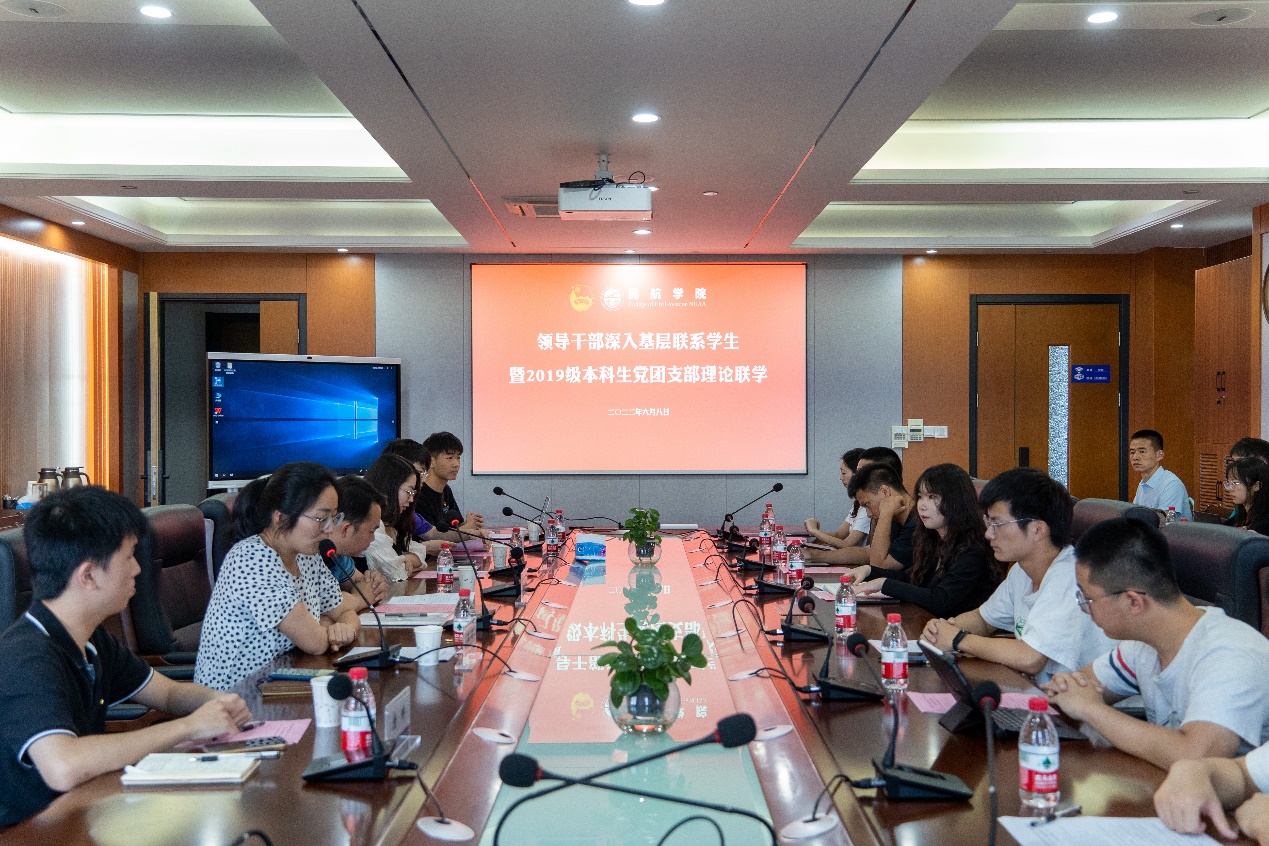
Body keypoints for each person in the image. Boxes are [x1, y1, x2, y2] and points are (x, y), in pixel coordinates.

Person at [0, 487, 253, 826]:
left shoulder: (90, 639)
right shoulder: (27, 657)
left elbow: (168, 693)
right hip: (28, 831)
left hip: (80, 813)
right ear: (88, 575)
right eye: (129, 556)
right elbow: (63, 767)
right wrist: (189, 727)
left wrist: (217, 703)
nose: (137, 569)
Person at [1041, 517, 1269, 770]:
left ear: (1133, 602)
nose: (1085, 610)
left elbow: (1196, 758)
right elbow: (1080, 685)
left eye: (1088, 600)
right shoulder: (1144, 646)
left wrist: (1091, 709)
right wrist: (1068, 687)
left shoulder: (1230, 655)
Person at [921, 467, 1115, 683]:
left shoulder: (1070, 576)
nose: (988, 533)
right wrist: (943, 629)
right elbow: (983, 619)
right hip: (1044, 691)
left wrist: (958, 639)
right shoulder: (1022, 570)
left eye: (997, 524)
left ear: (1037, 529)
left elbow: (1031, 658)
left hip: (1085, 700)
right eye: (988, 523)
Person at [195, 462, 362, 690]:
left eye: (334, 517)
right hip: (237, 695)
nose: (330, 529)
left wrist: (344, 627)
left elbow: (343, 610)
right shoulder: (251, 559)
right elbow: (314, 642)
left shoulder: (307, 555)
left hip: (286, 680)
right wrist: (327, 626)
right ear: (280, 517)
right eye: (321, 519)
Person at [846, 463, 1002, 618]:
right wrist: (869, 571)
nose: (921, 505)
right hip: (932, 623)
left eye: (932, 497)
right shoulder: (934, 538)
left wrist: (884, 583)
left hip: (959, 629)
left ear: (956, 500)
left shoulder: (973, 547)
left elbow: (940, 600)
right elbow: (913, 578)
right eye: (920, 497)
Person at [804, 462, 917, 570]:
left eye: (867, 504)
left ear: (885, 492)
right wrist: (813, 555)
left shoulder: (916, 524)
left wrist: (885, 515)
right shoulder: (896, 519)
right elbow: (866, 553)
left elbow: (878, 565)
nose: (868, 514)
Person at [382, 439, 481, 550]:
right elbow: (390, 555)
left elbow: (432, 533)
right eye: (420, 472)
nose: (456, 464)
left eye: (458, 458)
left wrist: (472, 533)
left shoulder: (410, 509)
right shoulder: (376, 510)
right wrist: (425, 548)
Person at [328, 475, 391, 610]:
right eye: (371, 531)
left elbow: (363, 586)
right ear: (346, 529)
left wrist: (375, 584)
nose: (373, 539)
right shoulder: (310, 553)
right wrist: (360, 600)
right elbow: (322, 606)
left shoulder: (340, 556)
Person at [361, 454, 427, 581]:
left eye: (413, 493)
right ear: (388, 487)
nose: (411, 499)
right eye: (408, 492)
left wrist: (406, 559)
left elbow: (420, 555)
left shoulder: (394, 525)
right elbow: (395, 573)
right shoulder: (372, 524)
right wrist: (404, 561)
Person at [417, 431, 484, 535]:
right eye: (449, 458)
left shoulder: (446, 490)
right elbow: (432, 535)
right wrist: (468, 528)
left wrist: (471, 523)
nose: (456, 464)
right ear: (431, 461)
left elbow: (455, 526)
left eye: (458, 458)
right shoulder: (418, 494)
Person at [804, 448, 871, 549]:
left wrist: (814, 531)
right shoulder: (857, 503)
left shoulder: (867, 507)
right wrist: (809, 536)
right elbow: (839, 535)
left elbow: (847, 544)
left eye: (843, 473)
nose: (841, 478)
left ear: (857, 474)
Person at [1130, 429, 1192, 520]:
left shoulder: (1171, 484)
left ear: (1159, 455)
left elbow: (1162, 522)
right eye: (1132, 452)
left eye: (1142, 452)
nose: (1135, 457)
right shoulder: (1143, 483)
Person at [1223, 458, 1269, 536]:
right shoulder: (1241, 516)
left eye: (1235, 483)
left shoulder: (1265, 523)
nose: (1230, 489)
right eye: (1229, 483)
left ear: (1256, 486)